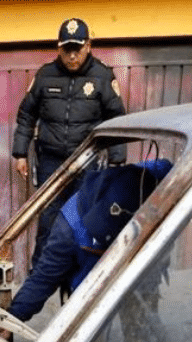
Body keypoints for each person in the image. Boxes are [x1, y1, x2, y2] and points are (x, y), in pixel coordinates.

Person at [11, 18, 126, 265]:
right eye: (67, 50)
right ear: (59, 48)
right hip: (50, 162)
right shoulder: (44, 75)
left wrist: (117, 160)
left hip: (87, 160)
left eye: (78, 49)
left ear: (88, 46)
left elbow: (116, 118)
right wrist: (20, 154)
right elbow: (26, 115)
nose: (72, 56)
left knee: (85, 219)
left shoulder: (103, 76)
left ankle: (79, 279)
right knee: (48, 221)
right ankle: (40, 274)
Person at [8, 160, 171, 323]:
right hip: (80, 228)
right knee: (83, 307)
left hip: (84, 213)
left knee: (46, 277)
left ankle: (136, 337)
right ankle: (9, 324)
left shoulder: (167, 175)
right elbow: (85, 274)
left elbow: (162, 167)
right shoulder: (112, 213)